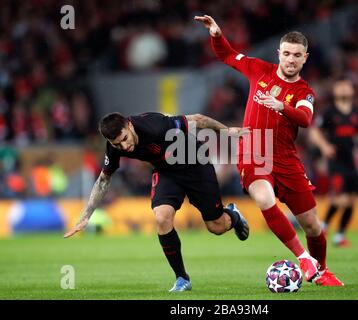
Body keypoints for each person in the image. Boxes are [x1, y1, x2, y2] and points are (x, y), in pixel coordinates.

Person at [195, 15, 343, 286]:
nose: (290, 59)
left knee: (312, 225)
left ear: (305, 58)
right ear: (279, 54)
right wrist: (216, 34)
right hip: (253, 150)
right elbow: (227, 55)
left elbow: (305, 119)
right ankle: (304, 258)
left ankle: (321, 271)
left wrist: (280, 106)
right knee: (264, 199)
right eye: (286, 53)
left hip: (286, 159)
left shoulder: (303, 91)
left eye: (297, 55)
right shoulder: (258, 69)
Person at [64, 111, 250, 291]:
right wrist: (87, 214)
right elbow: (103, 180)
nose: (124, 147)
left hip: (195, 164)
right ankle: (182, 278)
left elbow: (198, 120)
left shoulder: (155, 126)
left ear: (129, 125)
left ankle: (233, 215)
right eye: (117, 144)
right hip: (167, 172)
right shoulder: (114, 148)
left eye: (125, 139)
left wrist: (227, 131)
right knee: (161, 217)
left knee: (216, 226)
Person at [309, 78, 358, 247]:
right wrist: (325, 146)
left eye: (347, 86)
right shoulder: (329, 112)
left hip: (351, 161)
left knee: (352, 199)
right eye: (341, 87)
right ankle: (323, 226)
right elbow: (314, 131)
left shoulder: (355, 112)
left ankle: (340, 235)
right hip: (336, 161)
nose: (344, 89)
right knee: (341, 198)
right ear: (335, 91)